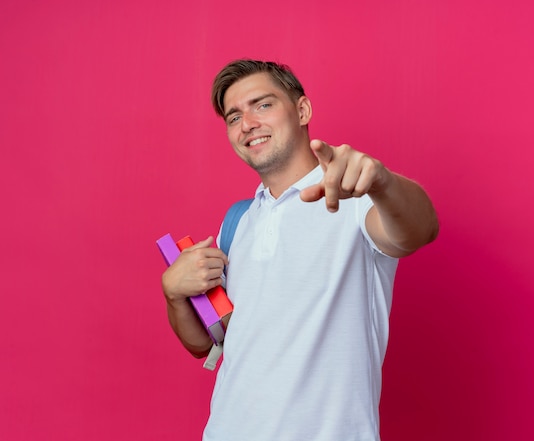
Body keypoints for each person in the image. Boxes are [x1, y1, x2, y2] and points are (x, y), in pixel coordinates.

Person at [161, 59, 439, 441]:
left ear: (302, 110)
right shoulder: (237, 221)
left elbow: (420, 230)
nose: (247, 124)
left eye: (263, 104)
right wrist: (174, 295)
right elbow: (212, 341)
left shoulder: (357, 197)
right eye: (233, 116)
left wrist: (384, 182)